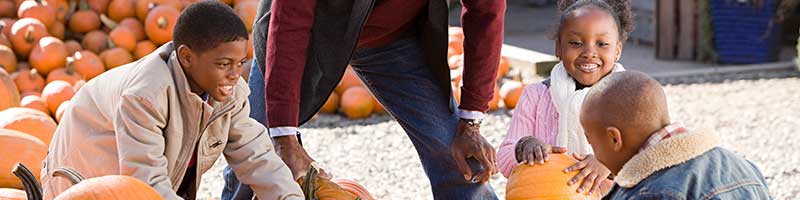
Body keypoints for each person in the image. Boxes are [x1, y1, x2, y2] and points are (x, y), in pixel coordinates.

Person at [223, 0, 506, 199]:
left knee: (451, 147)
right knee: (256, 147)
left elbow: (487, 12)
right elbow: (291, 20)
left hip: (392, 38)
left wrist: (471, 119)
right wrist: (283, 135)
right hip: (308, 31)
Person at [40, 1, 302, 199]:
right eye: (224, 64)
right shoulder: (145, 96)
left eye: (240, 63)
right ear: (187, 57)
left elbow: (256, 156)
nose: (235, 75)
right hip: (84, 182)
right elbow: (145, 186)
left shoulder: (229, 92)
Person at [496, 0, 631, 196]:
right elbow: (504, 158)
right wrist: (524, 146)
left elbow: (645, 158)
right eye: (576, 43)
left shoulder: (627, 98)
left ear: (617, 50)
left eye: (602, 44)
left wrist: (608, 165)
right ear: (558, 48)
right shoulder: (536, 96)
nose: (589, 53)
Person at [580, 71, 772, 199]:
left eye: (590, 140)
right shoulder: (742, 165)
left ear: (614, 139)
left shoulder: (649, 193)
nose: (593, 151)